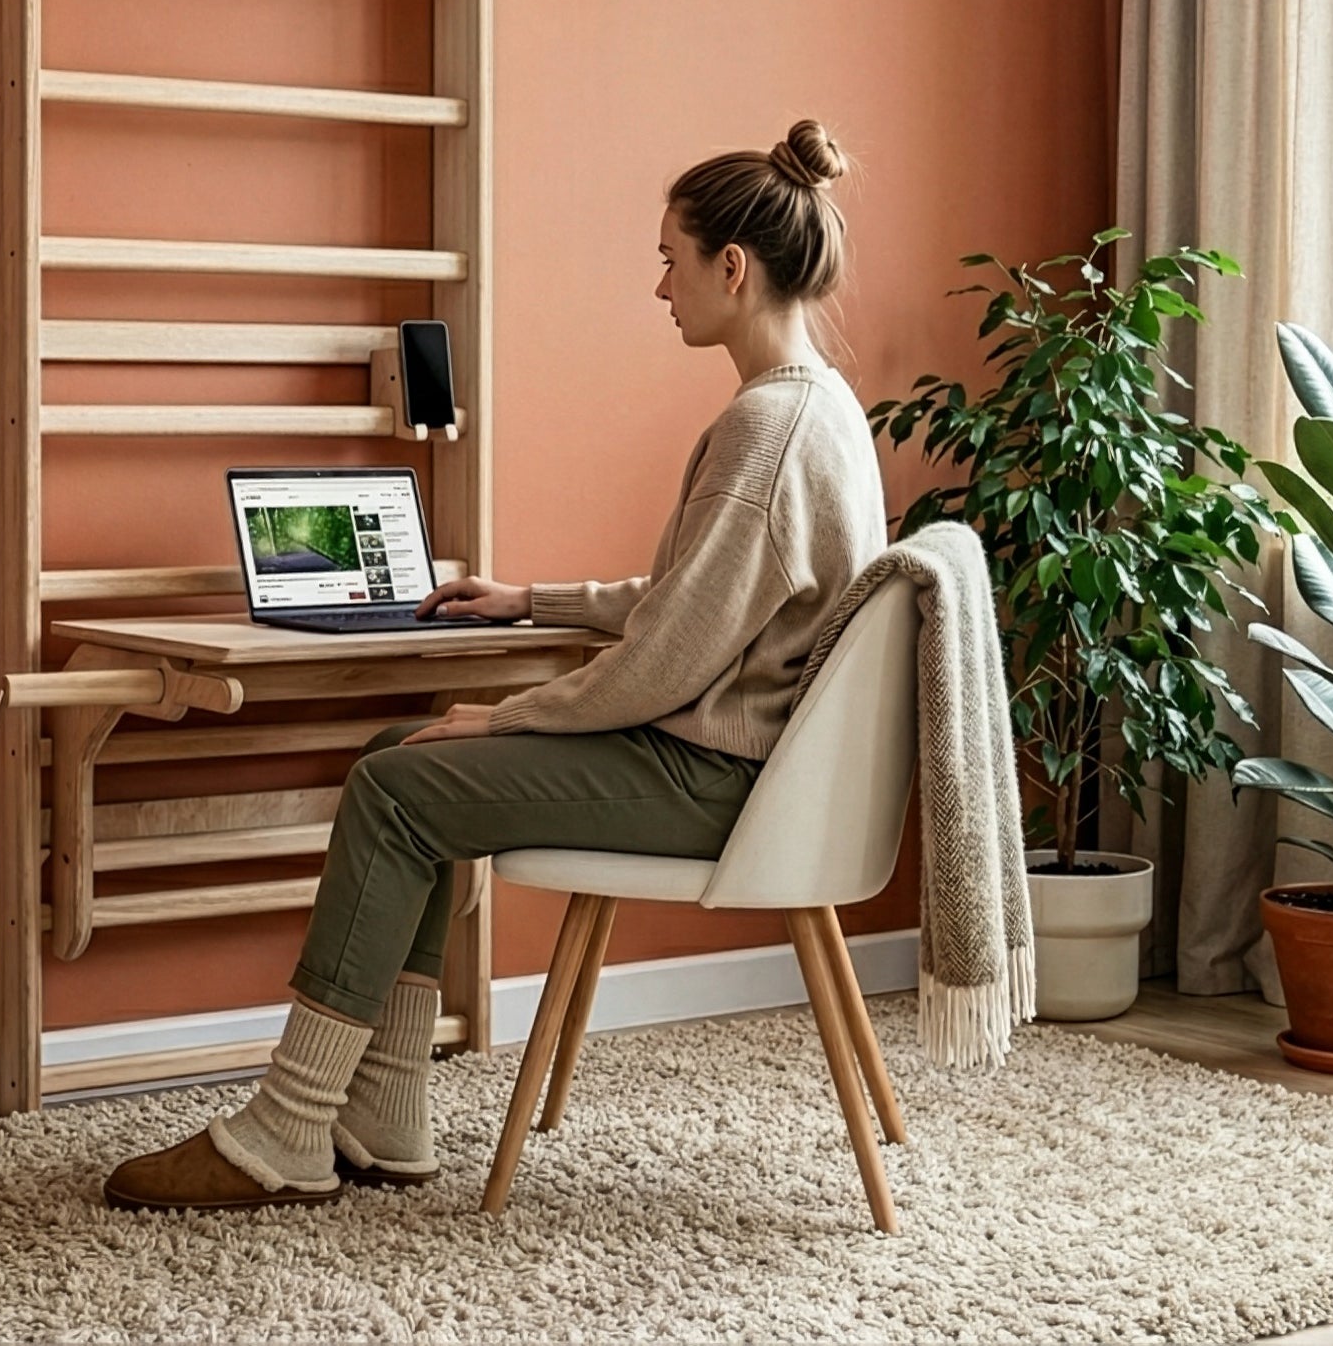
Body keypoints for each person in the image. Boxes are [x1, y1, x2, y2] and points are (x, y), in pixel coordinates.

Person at [102, 118, 887, 1212]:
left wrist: (511, 716)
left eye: (668, 258)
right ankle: (384, 1109)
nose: (659, 286)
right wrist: (536, 602)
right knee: (397, 754)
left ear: (732, 267)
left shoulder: (766, 430)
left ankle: (285, 1128)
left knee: (394, 782)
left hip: (718, 782)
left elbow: (664, 660)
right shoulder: (821, 408)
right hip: (753, 769)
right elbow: (703, 604)